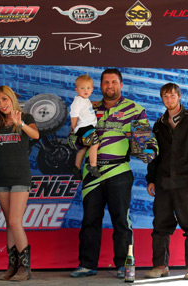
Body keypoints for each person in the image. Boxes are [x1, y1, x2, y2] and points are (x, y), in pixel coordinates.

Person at [70, 69, 158, 279]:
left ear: (121, 84)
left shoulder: (134, 110)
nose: (110, 86)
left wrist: (148, 150)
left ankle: (123, 265)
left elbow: (145, 141)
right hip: (92, 173)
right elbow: (71, 139)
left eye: (114, 82)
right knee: (90, 219)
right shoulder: (88, 105)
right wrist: (82, 140)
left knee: (121, 221)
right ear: (100, 86)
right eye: (106, 82)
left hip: (119, 171)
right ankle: (86, 264)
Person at [144, 83, 188, 280]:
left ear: (179, 96)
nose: (169, 99)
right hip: (163, 182)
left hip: (186, 182)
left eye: (172, 96)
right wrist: (151, 180)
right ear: (161, 98)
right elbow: (154, 156)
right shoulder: (159, 124)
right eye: (165, 96)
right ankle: (160, 266)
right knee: (160, 226)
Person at [0, 86, 40, 281]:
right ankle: (12, 267)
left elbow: (36, 135)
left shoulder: (26, 117)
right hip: (2, 179)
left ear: (12, 99)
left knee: (15, 221)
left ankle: (25, 268)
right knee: (9, 224)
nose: (2, 104)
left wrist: (20, 123)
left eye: (5, 99)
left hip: (20, 177)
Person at [69, 74, 101, 179]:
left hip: (86, 127)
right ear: (76, 90)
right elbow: (74, 114)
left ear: (92, 89)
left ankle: (76, 168)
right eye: (82, 88)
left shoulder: (84, 99)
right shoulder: (78, 101)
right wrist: (73, 127)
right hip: (84, 127)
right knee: (95, 143)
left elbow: (86, 106)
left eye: (88, 88)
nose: (85, 90)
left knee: (83, 148)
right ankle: (93, 166)